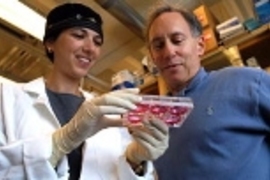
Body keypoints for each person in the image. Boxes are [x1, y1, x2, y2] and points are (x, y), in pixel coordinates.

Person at [0, 3, 169, 180]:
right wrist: (59, 143)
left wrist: (134, 161)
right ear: (50, 42)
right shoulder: (7, 98)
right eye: (79, 35)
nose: (90, 48)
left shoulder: (108, 111)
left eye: (97, 42)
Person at [145, 3, 270, 180]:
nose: (169, 51)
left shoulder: (248, 82)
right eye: (158, 45)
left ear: (200, 45)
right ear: (152, 58)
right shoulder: (154, 119)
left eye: (177, 40)